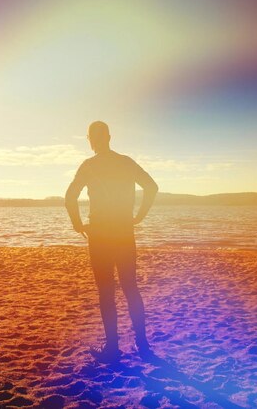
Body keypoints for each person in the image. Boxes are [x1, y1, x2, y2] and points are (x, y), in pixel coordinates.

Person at [65, 121, 158, 363]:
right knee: (130, 287)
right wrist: (140, 215)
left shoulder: (89, 166)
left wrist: (77, 223)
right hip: (124, 231)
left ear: (91, 139)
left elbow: (70, 196)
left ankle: (113, 348)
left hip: (99, 234)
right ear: (109, 137)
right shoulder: (125, 162)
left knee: (106, 291)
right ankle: (143, 344)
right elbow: (152, 187)